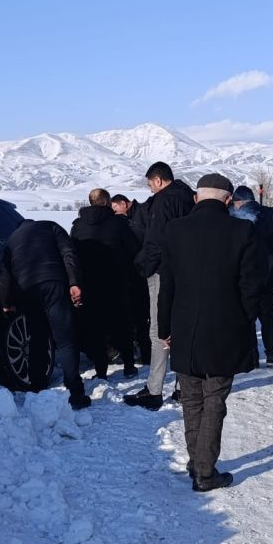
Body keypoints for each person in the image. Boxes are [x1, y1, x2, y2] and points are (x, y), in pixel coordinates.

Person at [158, 173, 266, 491]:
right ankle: (205, 472)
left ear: (196, 198)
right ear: (229, 200)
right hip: (226, 329)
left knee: (191, 399)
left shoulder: (174, 230)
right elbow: (252, 285)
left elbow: (168, 286)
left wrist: (165, 327)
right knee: (215, 398)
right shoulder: (243, 230)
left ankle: (197, 461)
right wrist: (244, 319)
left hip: (185, 329)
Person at [0, 219, 90, 410]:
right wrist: (74, 282)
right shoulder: (51, 226)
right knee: (65, 339)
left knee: (37, 338)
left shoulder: (12, 239)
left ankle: (37, 389)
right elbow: (68, 253)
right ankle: (76, 393)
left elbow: (4, 274)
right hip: (54, 283)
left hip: (26, 289)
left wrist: (6, 303)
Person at [124, 162, 194, 410]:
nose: (150, 189)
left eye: (150, 183)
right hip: (185, 269)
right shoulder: (188, 198)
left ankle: (154, 390)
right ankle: (183, 387)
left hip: (162, 270)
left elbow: (156, 239)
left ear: (158, 180)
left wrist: (144, 265)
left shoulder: (163, 202)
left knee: (159, 331)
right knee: (181, 327)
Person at [70, 188, 140, 379]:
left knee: (95, 328)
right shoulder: (118, 224)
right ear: (108, 202)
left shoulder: (77, 226)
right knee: (122, 324)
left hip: (89, 283)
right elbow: (133, 249)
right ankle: (128, 365)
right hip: (116, 282)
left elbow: (73, 254)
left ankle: (101, 370)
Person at [229, 184, 273, 366]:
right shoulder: (272, 213)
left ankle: (253, 357)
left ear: (238, 202)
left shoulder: (235, 217)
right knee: (267, 316)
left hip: (245, 275)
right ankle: (271, 355)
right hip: (268, 274)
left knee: (247, 315)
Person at [111, 194, 152, 364]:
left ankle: (145, 354)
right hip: (135, 274)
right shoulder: (132, 218)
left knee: (140, 317)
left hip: (138, 272)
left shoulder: (138, 216)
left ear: (124, 204)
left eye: (115, 208)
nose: (115, 213)